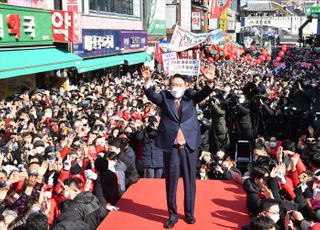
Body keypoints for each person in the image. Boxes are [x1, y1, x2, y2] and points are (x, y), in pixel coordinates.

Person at [141, 65, 215, 228]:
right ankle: (172, 215)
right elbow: (152, 95)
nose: (177, 88)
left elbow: (204, 92)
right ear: (169, 86)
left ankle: (189, 213)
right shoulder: (164, 98)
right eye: (174, 85)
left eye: (180, 85)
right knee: (171, 183)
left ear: (185, 86)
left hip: (189, 146)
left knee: (190, 182)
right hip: (172, 148)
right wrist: (147, 82)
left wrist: (209, 81)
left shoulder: (190, 97)